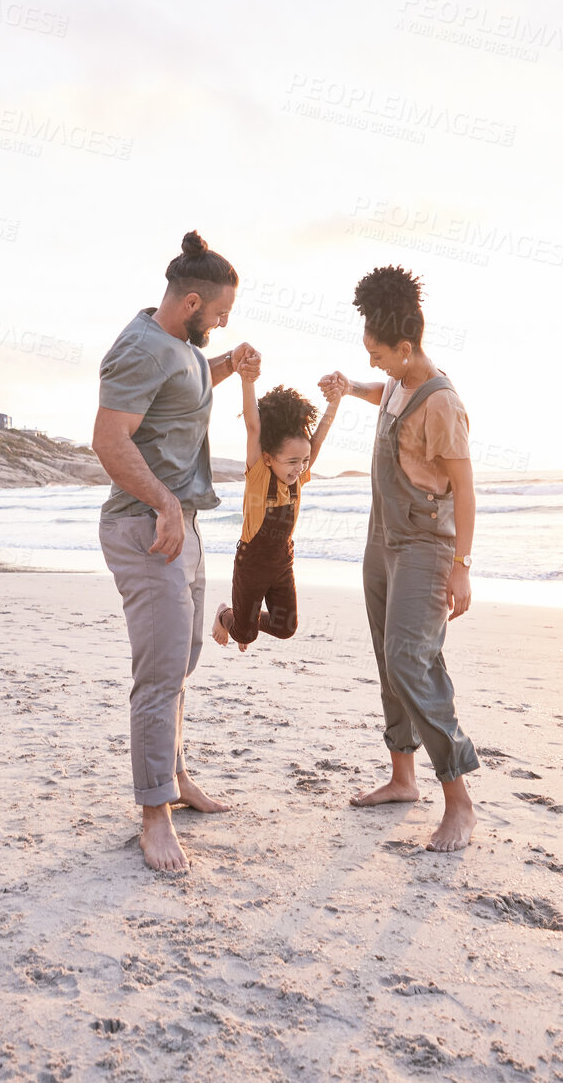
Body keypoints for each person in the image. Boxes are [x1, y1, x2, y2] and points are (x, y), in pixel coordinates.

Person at [92, 230, 260, 874]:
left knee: (182, 660)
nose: (223, 322)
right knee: (160, 674)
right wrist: (164, 504)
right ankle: (154, 814)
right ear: (191, 302)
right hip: (146, 526)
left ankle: (177, 778)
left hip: (181, 525)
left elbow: (182, 390)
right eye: (221, 314)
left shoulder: (179, 348)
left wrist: (227, 365)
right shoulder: (138, 348)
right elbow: (110, 440)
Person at [320, 264, 480, 852]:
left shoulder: (443, 405)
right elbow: (382, 395)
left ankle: (459, 801)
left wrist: (462, 566)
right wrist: (349, 388)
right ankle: (402, 778)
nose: (371, 363)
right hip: (380, 538)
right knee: (387, 661)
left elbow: (464, 488)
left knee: (410, 658)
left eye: (377, 353)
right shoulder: (397, 381)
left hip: (424, 545)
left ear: (406, 347)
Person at [211, 377, 341, 651]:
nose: (300, 468)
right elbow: (252, 425)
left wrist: (335, 400)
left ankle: (243, 620)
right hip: (252, 566)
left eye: (304, 461)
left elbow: (318, 437)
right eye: (292, 462)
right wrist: (247, 380)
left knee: (286, 628)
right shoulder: (259, 475)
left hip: (282, 563)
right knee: (244, 636)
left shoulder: (299, 477)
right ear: (268, 458)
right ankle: (225, 614)